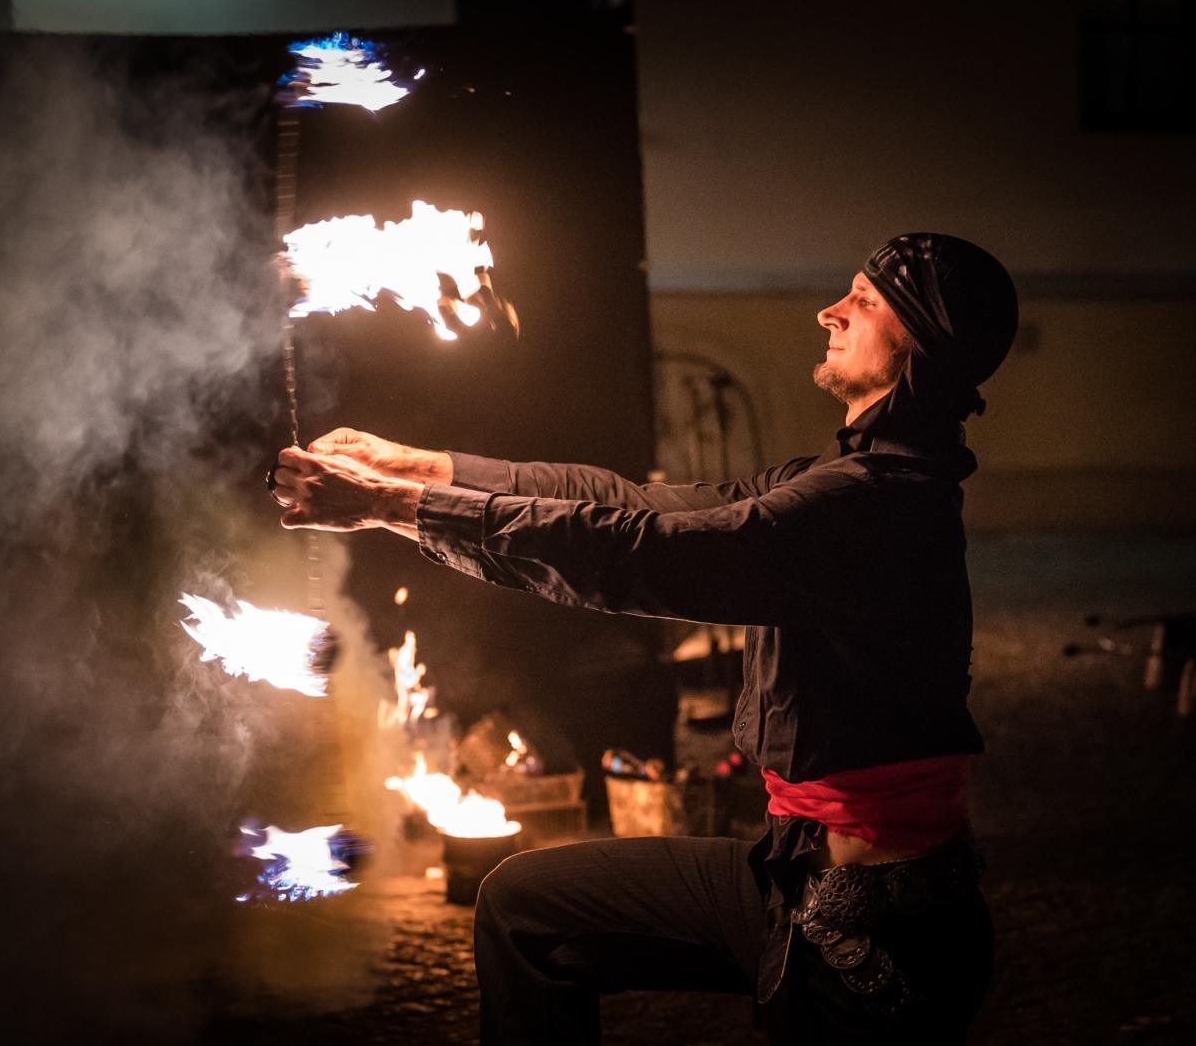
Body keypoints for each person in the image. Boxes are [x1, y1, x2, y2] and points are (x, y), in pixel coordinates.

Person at [269, 232, 1018, 1044]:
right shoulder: (844, 483)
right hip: (789, 873)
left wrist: (399, 510)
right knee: (526, 908)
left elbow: (638, 552)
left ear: (920, 347)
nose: (829, 311)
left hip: (876, 934)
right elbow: (635, 503)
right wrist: (424, 470)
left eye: (864, 303)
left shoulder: (871, 508)